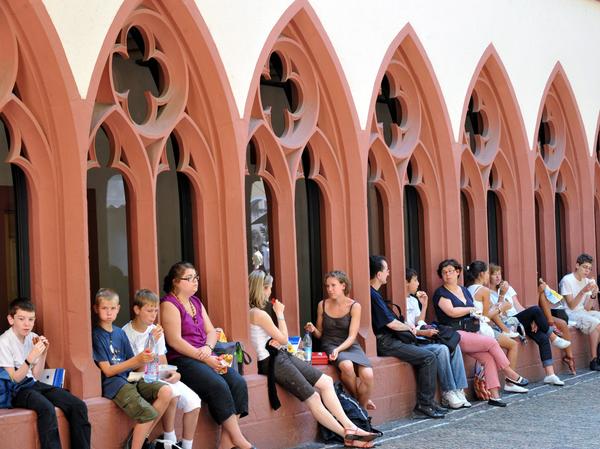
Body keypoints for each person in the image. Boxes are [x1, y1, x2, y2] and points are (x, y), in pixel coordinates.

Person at [248, 267, 379, 448]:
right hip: (272, 362)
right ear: (262, 289)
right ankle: (346, 435)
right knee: (314, 398)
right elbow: (285, 338)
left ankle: (351, 427)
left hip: (280, 356)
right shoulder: (258, 313)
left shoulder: (257, 313)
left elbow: (273, 340)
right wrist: (279, 314)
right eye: (269, 288)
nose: (271, 291)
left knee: (325, 381)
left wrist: (275, 341)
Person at [160, 262, 256, 449]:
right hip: (183, 360)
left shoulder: (196, 302)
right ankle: (241, 442)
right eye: (189, 278)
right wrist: (205, 357)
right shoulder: (169, 304)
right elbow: (174, 341)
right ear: (176, 282)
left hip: (206, 356)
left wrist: (207, 348)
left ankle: (226, 443)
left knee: (238, 383)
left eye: (196, 278)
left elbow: (212, 331)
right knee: (218, 385)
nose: (195, 282)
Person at [432, 259, 529, 407]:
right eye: (444, 272)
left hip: (471, 332)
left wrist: (476, 313)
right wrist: (470, 310)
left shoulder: (464, 290)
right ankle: (509, 372)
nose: (447, 275)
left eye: (450, 271)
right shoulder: (441, 293)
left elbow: (476, 311)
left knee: (488, 358)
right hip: (454, 334)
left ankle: (494, 396)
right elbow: (451, 311)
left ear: (458, 272)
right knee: (492, 342)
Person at [0, 298, 91, 449]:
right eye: (21, 319)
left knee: (78, 405)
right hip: (16, 390)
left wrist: (43, 353)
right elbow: (14, 379)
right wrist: (30, 358)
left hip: (33, 384)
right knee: (46, 408)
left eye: (31, 319)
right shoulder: (4, 341)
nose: (26, 324)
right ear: (11, 319)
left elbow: (35, 375)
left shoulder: (32, 337)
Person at [92, 288, 175, 449]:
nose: (109, 312)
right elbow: (108, 371)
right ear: (96, 309)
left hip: (129, 378)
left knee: (166, 391)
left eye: (113, 308)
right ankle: (136, 445)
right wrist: (137, 360)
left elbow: (136, 365)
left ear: (118, 309)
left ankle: (137, 438)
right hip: (114, 383)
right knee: (148, 414)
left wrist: (150, 343)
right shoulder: (96, 335)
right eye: (104, 308)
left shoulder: (119, 333)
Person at [123, 289, 201, 449]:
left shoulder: (155, 330)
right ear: (137, 310)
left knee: (194, 402)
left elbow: (163, 361)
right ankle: (168, 442)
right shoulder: (126, 333)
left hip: (157, 374)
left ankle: (186, 446)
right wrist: (151, 342)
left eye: (155, 311)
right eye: (149, 310)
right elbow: (137, 368)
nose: (153, 315)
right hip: (138, 377)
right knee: (170, 392)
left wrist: (174, 373)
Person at [369, 256, 446, 418]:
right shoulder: (373, 295)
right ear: (378, 274)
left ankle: (429, 403)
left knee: (428, 354)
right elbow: (391, 324)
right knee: (429, 357)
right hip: (386, 342)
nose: (389, 273)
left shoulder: (376, 294)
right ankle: (424, 405)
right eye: (386, 270)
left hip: (391, 340)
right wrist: (409, 328)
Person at [488, 264, 570, 384]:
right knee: (536, 309)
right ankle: (553, 337)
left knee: (542, 337)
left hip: (518, 321)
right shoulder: (488, 293)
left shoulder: (508, 288)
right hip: (506, 324)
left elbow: (519, 307)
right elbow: (497, 316)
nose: (497, 277)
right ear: (488, 276)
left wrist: (532, 319)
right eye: (494, 274)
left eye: (499, 273)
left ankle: (550, 374)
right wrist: (501, 295)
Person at [305, 270, 375, 410]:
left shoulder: (355, 306)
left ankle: (358, 406)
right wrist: (313, 330)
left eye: (333, 285)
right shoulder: (322, 305)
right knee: (347, 366)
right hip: (330, 344)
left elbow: (352, 336)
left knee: (368, 374)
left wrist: (338, 349)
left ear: (343, 285)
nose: (329, 289)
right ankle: (360, 405)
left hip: (349, 344)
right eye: (327, 286)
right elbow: (320, 334)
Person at [404, 268, 470, 409]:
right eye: (415, 280)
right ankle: (448, 391)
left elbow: (419, 322)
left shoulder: (413, 300)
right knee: (442, 349)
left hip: (422, 336)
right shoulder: (399, 301)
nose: (418, 283)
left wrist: (424, 304)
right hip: (413, 341)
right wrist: (423, 334)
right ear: (406, 283)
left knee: (454, 345)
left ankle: (459, 389)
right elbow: (406, 328)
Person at [464, 261, 523, 391]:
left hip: (473, 329)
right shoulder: (484, 290)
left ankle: (498, 387)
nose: (487, 276)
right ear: (481, 274)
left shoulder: (468, 289)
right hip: (482, 330)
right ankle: (510, 383)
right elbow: (486, 317)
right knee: (513, 345)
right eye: (487, 273)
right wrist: (503, 307)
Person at [558, 253, 600, 371]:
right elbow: (571, 305)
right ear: (577, 265)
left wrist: (593, 294)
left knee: (598, 318)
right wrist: (583, 291)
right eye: (584, 267)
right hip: (569, 313)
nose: (587, 271)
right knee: (595, 323)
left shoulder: (587, 281)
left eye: (589, 268)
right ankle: (593, 359)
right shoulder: (567, 280)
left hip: (582, 312)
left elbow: (587, 308)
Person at [537, 277, 577, 374]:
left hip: (544, 314)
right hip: (535, 315)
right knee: (542, 294)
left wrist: (546, 291)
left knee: (563, 323)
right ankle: (551, 323)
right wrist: (539, 292)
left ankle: (569, 357)